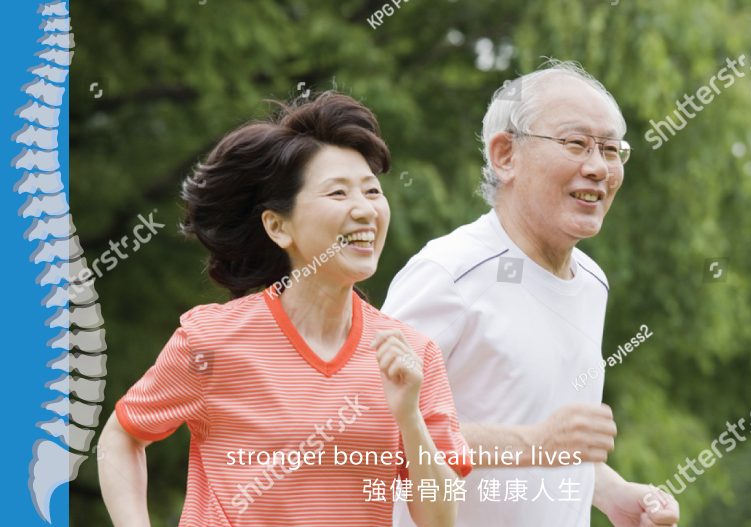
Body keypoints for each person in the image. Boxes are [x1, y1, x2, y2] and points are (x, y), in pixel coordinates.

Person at [97, 91, 470, 527]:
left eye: (373, 191)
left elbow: (440, 518)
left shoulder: (412, 355)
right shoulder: (213, 340)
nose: (365, 210)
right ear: (278, 226)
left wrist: (408, 416)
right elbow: (123, 435)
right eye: (338, 192)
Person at [384, 61, 681, 527]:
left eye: (610, 149)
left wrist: (613, 493)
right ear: (505, 156)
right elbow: (370, 427)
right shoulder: (449, 273)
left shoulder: (592, 281)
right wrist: (537, 441)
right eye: (576, 144)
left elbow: (548, 435)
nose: (598, 168)